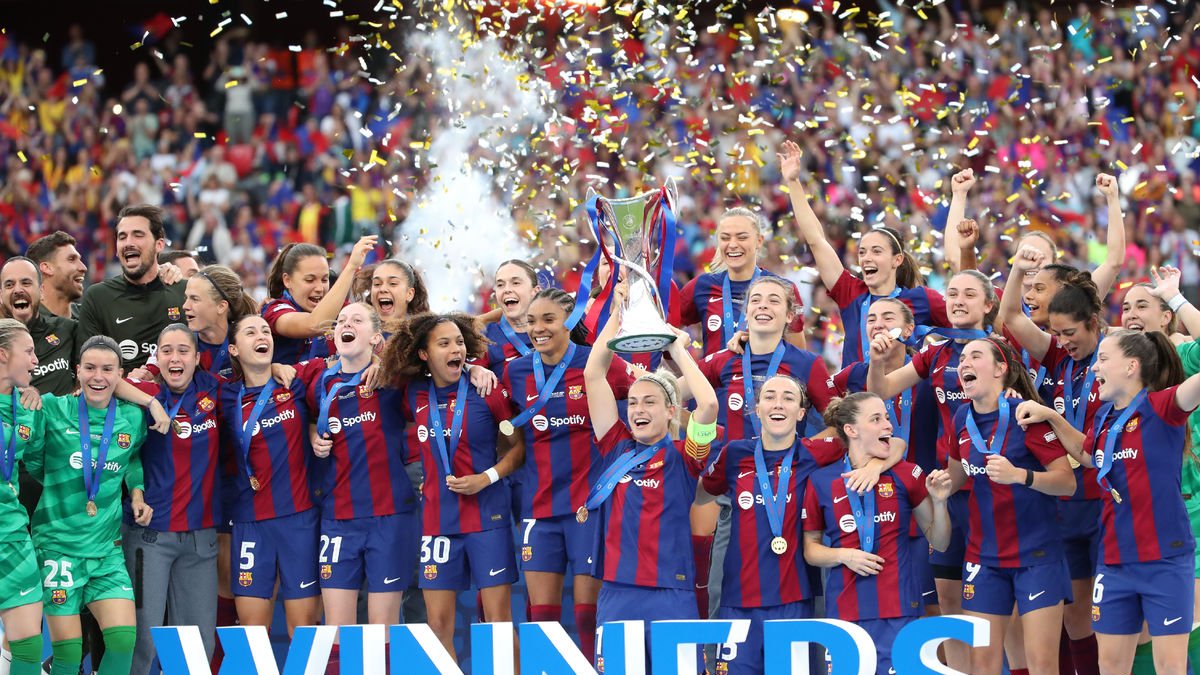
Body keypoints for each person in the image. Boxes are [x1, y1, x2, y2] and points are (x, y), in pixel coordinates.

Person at [1017, 329, 1200, 675]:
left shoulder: (1163, 407)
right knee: (1110, 666)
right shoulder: (1103, 417)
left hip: (1164, 559)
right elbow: (1088, 455)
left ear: (1131, 367)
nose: (1095, 368)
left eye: (1103, 360)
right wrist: (1052, 417)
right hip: (1114, 561)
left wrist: (1176, 301)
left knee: (1170, 667)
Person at [697, 378, 901, 675]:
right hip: (737, 600)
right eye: (769, 396)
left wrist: (874, 466)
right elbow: (702, 492)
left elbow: (894, 443)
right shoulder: (735, 454)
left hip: (794, 600)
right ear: (757, 408)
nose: (778, 403)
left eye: (789, 398)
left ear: (802, 413)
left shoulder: (818, 452)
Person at [865, 269, 1000, 671]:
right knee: (949, 601)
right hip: (950, 489)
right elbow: (882, 390)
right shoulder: (936, 352)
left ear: (988, 305)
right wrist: (876, 362)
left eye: (969, 295)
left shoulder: (1000, 348)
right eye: (953, 293)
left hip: (993, 490)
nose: (958, 300)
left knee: (993, 604)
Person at [583, 284, 719, 668]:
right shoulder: (616, 446)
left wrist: (676, 348)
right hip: (616, 591)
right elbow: (594, 375)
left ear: (671, 410)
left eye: (650, 402)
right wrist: (616, 315)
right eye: (633, 402)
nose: (638, 410)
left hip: (671, 593)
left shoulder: (686, 456)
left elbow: (708, 404)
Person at [499, 288, 638, 659]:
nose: (538, 329)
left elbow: (646, 397)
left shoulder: (598, 363)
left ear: (571, 321)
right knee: (541, 616)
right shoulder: (516, 371)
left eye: (548, 319)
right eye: (531, 321)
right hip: (539, 507)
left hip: (589, 507)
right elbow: (503, 429)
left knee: (587, 614)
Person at [379, 312, 524, 664]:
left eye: (459, 342)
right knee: (437, 625)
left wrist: (485, 477)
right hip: (437, 522)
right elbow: (383, 362)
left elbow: (518, 448)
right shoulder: (412, 392)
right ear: (425, 354)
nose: (455, 348)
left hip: (487, 517)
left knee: (497, 623)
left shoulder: (486, 389)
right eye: (443, 343)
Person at [937, 337, 1076, 675]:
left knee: (1041, 663)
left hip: (1037, 556)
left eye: (976, 356)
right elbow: (956, 475)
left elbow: (1067, 482)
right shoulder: (960, 418)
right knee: (983, 664)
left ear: (1001, 369)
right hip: (984, 558)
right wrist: (941, 486)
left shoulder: (1025, 414)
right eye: (963, 358)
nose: (965, 363)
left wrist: (1020, 476)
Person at [1001, 246, 1109, 667]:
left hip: (1105, 500)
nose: (1063, 342)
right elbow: (1010, 317)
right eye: (1057, 334)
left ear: (1094, 323)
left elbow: (1092, 449)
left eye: (1069, 334)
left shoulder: (1117, 358)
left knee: (1109, 615)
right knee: (1076, 615)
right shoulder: (1057, 355)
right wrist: (1016, 269)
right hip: (1065, 502)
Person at [25, 335, 160, 675]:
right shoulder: (54, 408)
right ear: (77, 371)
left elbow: (131, 460)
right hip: (59, 548)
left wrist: (137, 492)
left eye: (107, 369)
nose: (98, 377)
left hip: (106, 551)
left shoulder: (131, 418)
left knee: (122, 642)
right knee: (69, 654)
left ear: (120, 375)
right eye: (90, 368)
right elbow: (33, 461)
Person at [803, 392, 954, 675]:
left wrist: (940, 502)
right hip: (845, 613)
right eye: (876, 419)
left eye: (886, 417)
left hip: (900, 608)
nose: (888, 425)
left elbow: (940, 541)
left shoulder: (906, 474)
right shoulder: (822, 480)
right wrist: (843, 555)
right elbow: (810, 550)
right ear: (851, 430)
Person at [303, 303, 420, 670]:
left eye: (356, 320)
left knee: (382, 630)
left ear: (375, 336)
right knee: (337, 632)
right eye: (341, 321)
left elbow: (434, 351)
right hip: (338, 519)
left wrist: (472, 370)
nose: (345, 324)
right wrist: (311, 433)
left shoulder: (394, 380)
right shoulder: (319, 382)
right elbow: (307, 416)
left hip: (389, 517)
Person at [779, 140, 950, 368]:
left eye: (876, 251)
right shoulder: (850, 292)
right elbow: (816, 240)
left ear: (896, 260)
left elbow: (969, 327)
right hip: (856, 401)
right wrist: (793, 182)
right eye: (862, 252)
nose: (866, 257)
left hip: (908, 401)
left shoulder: (922, 299)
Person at [118, 325, 224, 674]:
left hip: (200, 540)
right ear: (157, 357)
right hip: (149, 538)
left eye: (183, 351)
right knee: (141, 642)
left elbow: (255, 377)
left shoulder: (214, 390)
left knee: (196, 645)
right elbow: (102, 382)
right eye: (166, 350)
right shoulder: (145, 392)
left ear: (197, 358)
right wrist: (150, 401)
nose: (174, 358)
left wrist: (276, 368)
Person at [218, 315, 321, 636]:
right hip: (249, 523)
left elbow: (343, 364)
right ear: (234, 349)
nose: (261, 335)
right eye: (250, 332)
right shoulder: (222, 395)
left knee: (304, 631)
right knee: (251, 633)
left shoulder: (296, 382)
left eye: (265, 330)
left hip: (299, 520)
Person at [677, 207, 806, 356]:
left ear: (759, 241)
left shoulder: (784, 289)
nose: (732, 244)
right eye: (725, 238)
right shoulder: (701, 286)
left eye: (742, 237)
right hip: (711, 380)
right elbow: (667, 333)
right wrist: (688, 374)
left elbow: (798, 357)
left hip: (767, 379)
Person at [76, 205, 187, 370]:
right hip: (120, 393)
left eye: (138, 235)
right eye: (122, 237)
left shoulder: (185, 292)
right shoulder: (98, 297)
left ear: (159, 244)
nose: (128, 243)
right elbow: (88, 369)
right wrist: (132, 385)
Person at [0, 320, 46, 675]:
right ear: (4, 355)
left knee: (28, 647)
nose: (35, 360)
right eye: (28, 351)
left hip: (13, 534)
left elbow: (37, 463)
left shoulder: (28, 406)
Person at [261, 235, 377, 365]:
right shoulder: (274, 309)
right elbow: (314, 325)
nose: (319, 288)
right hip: (293, 385)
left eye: (324, 279)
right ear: (287, 280)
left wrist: (375, 361)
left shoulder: (342, 310)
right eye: (309, 280)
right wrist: (351, 267)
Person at [0, 257, 78, 397]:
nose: (18, 290)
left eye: (26, 283)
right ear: (1, 295)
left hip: (62, 417)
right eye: (9, 285)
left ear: (41, 291)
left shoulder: (67, 330)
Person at [480, 259, 540, 374]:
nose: (507, 289)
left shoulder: (556, 328)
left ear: (535, 291)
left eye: (516, 283)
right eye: (500, 285)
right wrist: (472, 368)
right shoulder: (485, 338)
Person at [25, 231, 87, 320]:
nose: (83, 268)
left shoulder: (91, 319)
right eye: (71, 259)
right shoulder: (25, 325)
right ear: (47, 268)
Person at [368, 258, 430, 336]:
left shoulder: (423, 337)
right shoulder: (360, 332)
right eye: (377, 284)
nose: (382, 289)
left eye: (393, 283)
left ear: (409, 294)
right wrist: (351, 267)